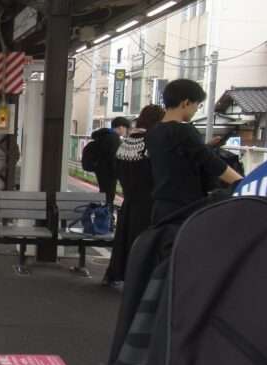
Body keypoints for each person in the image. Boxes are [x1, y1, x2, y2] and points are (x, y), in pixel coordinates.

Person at [146, 78, 243, 224]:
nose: (197, 109)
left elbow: (177, 158)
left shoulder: (154, 132)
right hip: (185, 209)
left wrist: (205, 147)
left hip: (161, 207)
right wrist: (243, 182)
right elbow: (213, 163)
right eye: (197, 104)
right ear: (186, 103)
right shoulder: (184, 131)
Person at [104, 104, 165, 288]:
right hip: (149, 202)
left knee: (125, 240)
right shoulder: (152, 143)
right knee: (144, 243)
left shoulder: (126, 143)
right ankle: (140, 278)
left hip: (130, 201)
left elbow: (118, 170)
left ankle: (118, 273)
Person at [87, 117, 130, 205]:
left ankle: (103, 216)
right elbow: (114, 158)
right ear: (121, 127)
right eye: (126, 128)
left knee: (104, 196)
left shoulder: (103, 135)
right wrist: (119, 174)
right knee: (109, 199)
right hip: (109, 173)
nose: (126, 131)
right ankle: (106, 217)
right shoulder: (114, 138)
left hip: (100, 171)